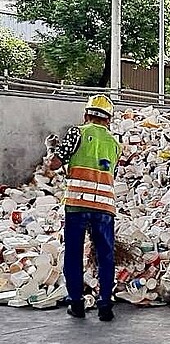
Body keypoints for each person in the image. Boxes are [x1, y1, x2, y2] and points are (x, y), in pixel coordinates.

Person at [47, 95, 121, 321]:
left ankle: (77, 303)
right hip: (104, 207)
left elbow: (55, 164)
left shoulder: (76, 133)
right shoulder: (115, 144)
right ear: (109, 119)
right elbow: (112, 174)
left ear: (86, 114)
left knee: (73, 254)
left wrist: (52, 150)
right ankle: (105, 305)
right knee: (106, 255)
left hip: (78, 205)